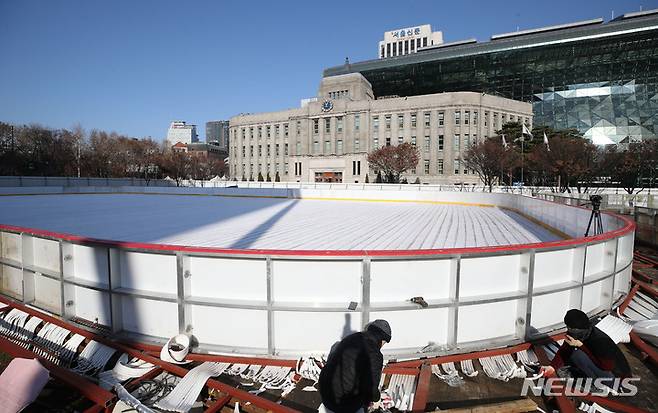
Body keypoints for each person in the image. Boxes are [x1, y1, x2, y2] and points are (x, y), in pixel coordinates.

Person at [318, 319, 391, 413]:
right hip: (341, 404)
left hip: (324, 392)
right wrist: (377, 398)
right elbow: (371, 388)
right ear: (383, 339)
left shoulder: (351, 337)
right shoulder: (375, 355)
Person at [541, 309, 631, 382]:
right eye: (567, 327)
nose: (568, 329)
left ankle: (598, 385)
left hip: (617, 378)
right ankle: (586, 375)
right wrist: (552, 366)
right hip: (604, 369)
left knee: (577, 355)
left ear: (577, 328)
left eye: (570, 327)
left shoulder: (600, 340)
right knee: (573, 355)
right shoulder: (579, 333)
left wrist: (581, 346)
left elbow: (606, 366)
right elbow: (565, 350)